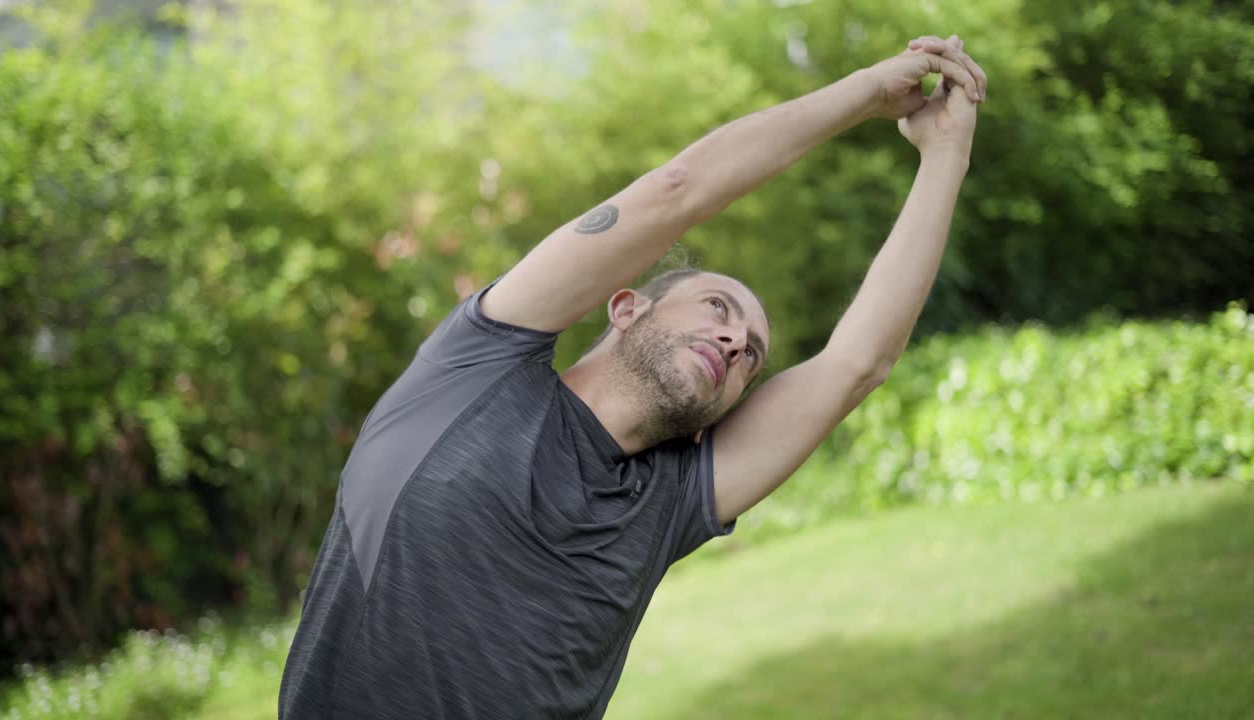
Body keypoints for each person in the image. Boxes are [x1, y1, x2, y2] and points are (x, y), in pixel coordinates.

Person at [279, 33, 987, 720]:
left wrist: (948, 150)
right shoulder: (476, 369)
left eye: (753, 355)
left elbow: (859, 364)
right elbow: (676, 191)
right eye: (718, 306)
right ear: (625, 306)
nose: (737, 340)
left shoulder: (669, 500)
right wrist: (866, 93)